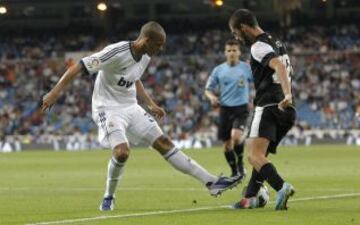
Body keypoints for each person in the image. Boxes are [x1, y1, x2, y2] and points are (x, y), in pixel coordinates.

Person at [41, 21, 242, 211]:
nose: (161, 49)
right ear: (146, 41)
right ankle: (108, 196)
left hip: (131, 107)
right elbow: (79, 66)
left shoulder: (146, 55)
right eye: (159, 45)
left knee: (164, 142)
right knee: (122, 152)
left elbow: (134, 78)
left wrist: (150, 103)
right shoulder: (115, 52)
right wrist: (55, 92)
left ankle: (211, 182)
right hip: (107, 108)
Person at [228, 9, 296, 210]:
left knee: (253, 156)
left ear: (243, 27)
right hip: (287, 111)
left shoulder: (258, 45)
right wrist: (288, 97)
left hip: (269, 105)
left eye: (235, 32)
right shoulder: (276, 41)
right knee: (261, 156)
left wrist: (287, 94)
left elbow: (279, 67)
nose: (236, 37)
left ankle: (281, 187)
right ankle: (249, 198)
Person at [205, 39, 252, 178]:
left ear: (239, 52)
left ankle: (241, 163)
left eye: (234, 50)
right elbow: (208, 89)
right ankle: (234, 171)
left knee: (236, 137)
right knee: (226, 145)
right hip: (225, 109)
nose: (232, 53)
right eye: (229, 50)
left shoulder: (246, 68)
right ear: (225, 53)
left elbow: (258, 82)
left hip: (241, 109)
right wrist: (212, 97)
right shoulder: (218, 70)